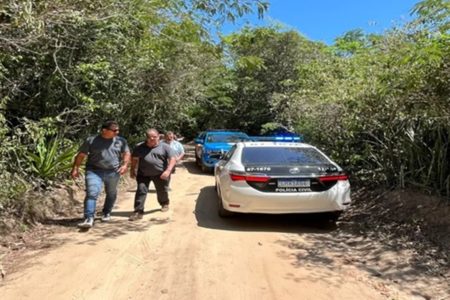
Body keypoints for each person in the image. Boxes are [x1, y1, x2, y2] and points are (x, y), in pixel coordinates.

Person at [71, 120, 131, 229]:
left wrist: (125, 165)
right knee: (92, 193)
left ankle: (106, 212)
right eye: (114, 130)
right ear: (104, 130)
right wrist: (75, 168)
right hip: (94, 171)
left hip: (113, 171)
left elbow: (126, 153)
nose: (117, 132)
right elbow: (81, 155)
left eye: (118, 130)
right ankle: (89, 218)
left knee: (111, 193)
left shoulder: (121, 141)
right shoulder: (91, 140)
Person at [129, 128, 176, 221]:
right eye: (150, 137)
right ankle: (138, 211)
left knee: (162, 191)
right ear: (146, 138)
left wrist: (168, 170)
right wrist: (132, 169)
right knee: (141, 191)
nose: (153, 139)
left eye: (155, 137)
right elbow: (134, 158)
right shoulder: (139, 147)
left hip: (160, 174)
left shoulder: (165, 147)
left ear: (159, 137)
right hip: (143, 174)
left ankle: (164, 203)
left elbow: (173, 159)